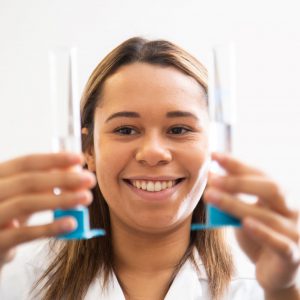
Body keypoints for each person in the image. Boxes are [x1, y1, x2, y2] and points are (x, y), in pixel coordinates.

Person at [0, 37, 299, 300]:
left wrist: (282, 292)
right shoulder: (18, 286)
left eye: (179, 129)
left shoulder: (260, 288)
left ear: (214, 147)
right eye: (126, 130)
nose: (153, 153)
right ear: (89, 150)